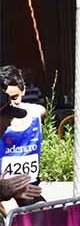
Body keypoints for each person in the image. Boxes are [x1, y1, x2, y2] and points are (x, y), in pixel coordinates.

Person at [0, 67, 46, 205]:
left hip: (27, 189)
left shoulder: (36, 112)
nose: (11, 103)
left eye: (15, 97)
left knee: (43, 211)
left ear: (23, 90)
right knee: (12, 214)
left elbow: (41, 111)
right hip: (4, 192)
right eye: (6, 99)